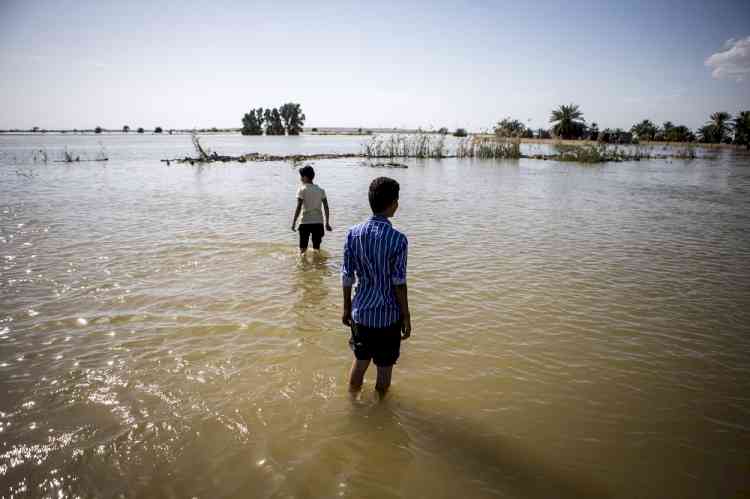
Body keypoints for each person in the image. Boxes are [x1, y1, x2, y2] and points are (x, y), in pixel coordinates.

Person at [341, 177, 411, 395]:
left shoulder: (353, 233)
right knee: (384, 371)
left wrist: (346, 307)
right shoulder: (398, 239)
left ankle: (353, 405)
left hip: (360, 313)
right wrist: (406, 315)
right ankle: (381, 410)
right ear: (393, 204)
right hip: (388, 318)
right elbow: (399, 283)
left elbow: (346, 275)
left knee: (360, 362)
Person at [292, 165, 332, 254]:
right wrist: (327, 223)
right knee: (317, 249)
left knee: (302, 251)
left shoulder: (302, 190)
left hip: (305, 222)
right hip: (318, 223)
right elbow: (326, 207)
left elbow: (298, 207)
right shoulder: (321, 190)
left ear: (305, 177)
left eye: (301, 176)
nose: (300, 179)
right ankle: (318, 266)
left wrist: (294, 222)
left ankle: (303, 267)